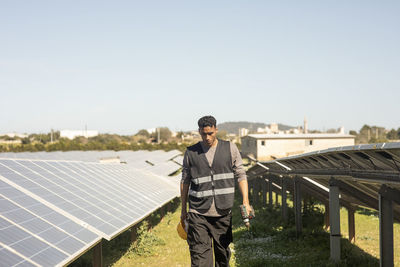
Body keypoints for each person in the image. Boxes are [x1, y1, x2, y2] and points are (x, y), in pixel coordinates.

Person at [180, 115, 252, 267]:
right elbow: (185, 181)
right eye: (203, 134)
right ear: (199, 131)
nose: (207, 137)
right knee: (200, 259)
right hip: (198, 213)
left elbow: (241, 174)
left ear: (216, 130)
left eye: (210, 133)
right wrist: (183, 210)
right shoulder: (191, 153)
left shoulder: (230, 148)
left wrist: (245, 201)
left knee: (222, 257)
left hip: (223, 213)